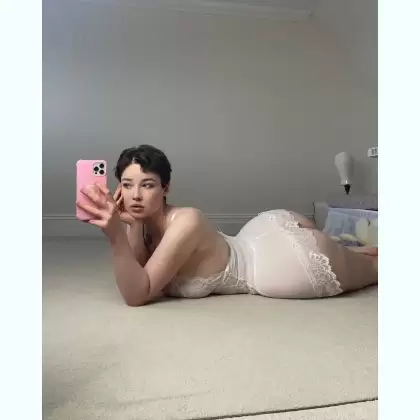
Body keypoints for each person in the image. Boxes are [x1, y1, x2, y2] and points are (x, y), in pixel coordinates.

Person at [76, 145, 378, 306]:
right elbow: (137, 272)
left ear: (166, 188)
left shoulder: (187, 221)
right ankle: (359, 250)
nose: (135, 196)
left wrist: (114, 235)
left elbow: (137, 295)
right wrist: (130, 226)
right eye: (128, 184)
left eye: (148, 185)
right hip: (259, 233)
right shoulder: (141, 222)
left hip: (284, 264)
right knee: (355, 252)